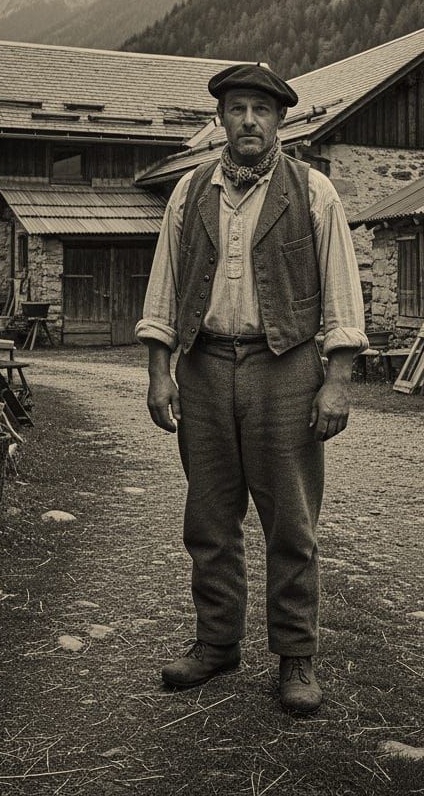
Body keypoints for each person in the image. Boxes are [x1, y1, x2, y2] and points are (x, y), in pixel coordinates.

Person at [135, 62, 367, 713]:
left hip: (286, 369)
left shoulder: (313, 192)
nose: (247, 121)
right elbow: (165, 283)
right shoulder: (188, 193)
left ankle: (296, 656)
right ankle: (216, 644)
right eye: (236, 109)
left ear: (279, 121)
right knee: (209, 518)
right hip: (204, 367)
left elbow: (342, 292)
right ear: (221, 119)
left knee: (291, 522)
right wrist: (159, 370)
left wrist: (337, 380)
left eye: (260, 111)